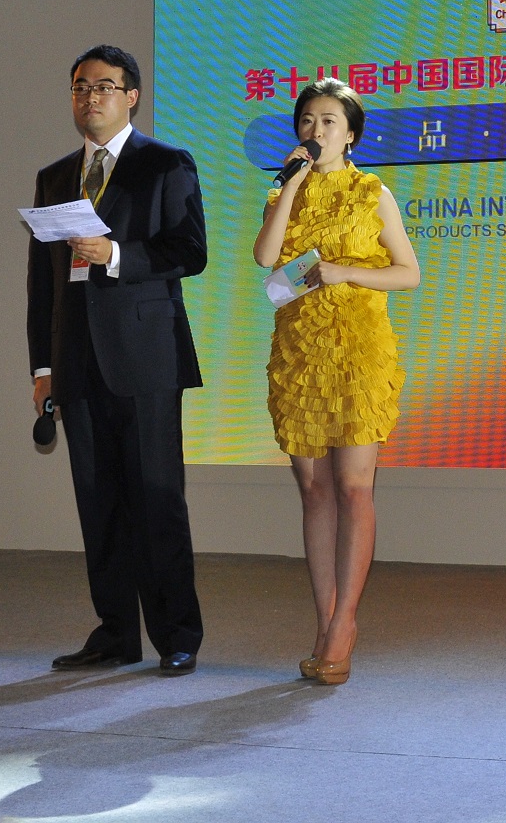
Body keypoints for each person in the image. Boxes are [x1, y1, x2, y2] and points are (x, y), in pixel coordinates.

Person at [27, 44, 209, 676]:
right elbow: (42, 285)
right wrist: (42, 369)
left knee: (157, 498)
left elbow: (190, 251)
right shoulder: (55, 177)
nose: (90, 98)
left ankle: (177, 634)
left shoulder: (166, 163)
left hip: (145, 357)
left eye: (104, 87)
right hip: (76, 361)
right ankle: (114, 634)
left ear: (131, 96)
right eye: (80, 87)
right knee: (98, 503)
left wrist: (117, 255)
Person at [252, 79, 420, 686]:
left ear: (350, 135)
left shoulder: (372, 192)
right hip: (301, 354)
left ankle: (345, 622)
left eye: (329, 121)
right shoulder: (283, 191)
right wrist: (292, 183)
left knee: (353, 486)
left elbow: (408, 273)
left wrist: (344, 271)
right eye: (308, 120)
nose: (316, 129)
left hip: (358, 351)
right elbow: (266, 259)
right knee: (314, 490)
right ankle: (323, 622)